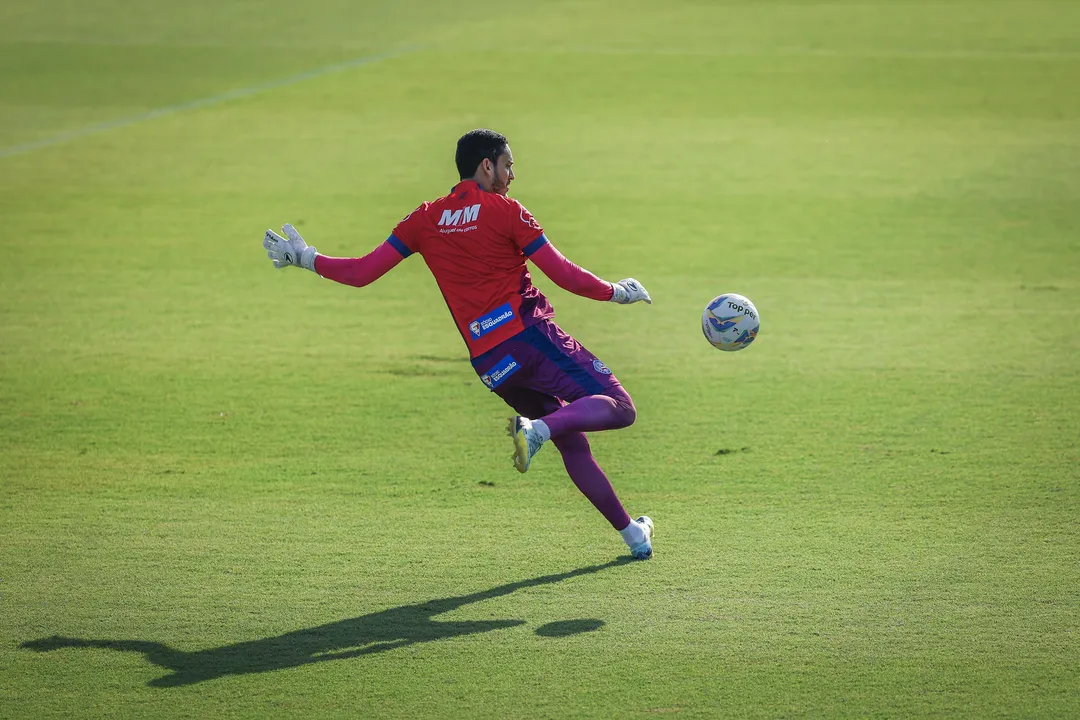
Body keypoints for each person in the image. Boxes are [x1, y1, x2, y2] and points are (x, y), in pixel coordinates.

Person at [262, 129, 655, 559]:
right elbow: (562, 273)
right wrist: (616, 291)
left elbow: (362, 272)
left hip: (491, 362)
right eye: (507, 166)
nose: (510, 177)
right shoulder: (506, 212)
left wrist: (306, 258)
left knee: (573, 441)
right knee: (620, 407)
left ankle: (633, 536)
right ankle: (537, 430)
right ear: (486, 165)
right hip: (529, 339)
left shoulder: (425, 219)